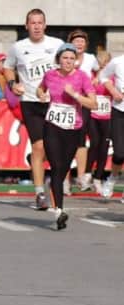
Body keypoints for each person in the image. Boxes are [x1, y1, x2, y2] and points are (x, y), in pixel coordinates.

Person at [4, 8, 64, 210]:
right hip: (30, 102)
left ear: (45, 25)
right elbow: (7, 67)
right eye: (33, 23)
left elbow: (68, 66)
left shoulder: (56, 44)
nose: (37, 26)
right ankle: (39, 193)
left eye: (40, 23)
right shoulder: (18, 47)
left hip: (55, 102)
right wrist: (13, 84)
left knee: (55, 148)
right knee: (38, 147)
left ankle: (52, 180)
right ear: (26, 26)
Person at [36, 43, 97, 229]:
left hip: (73, 128)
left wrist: (75, 95)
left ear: (76, 61)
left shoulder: (82, 77)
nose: (68, 61)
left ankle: (51, 185)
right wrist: (42, 95)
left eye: (72, 58)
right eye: (65, 58)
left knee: (62, 168)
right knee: (56, 165)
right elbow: (40, 88)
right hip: (52, 126)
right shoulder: (50, 75)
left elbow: (93, 104)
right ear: (58, 59)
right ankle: (59, 212)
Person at [64, 29, 100, 193]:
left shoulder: (91, 58)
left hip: (83, 101)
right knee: (65, 140)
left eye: (82, 41)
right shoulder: (65, 57)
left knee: (81, 139)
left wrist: (96, 78)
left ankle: (81, 178)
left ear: (86, 44)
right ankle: (64, 180)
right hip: (65, 102)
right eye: (76, 41)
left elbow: (99, 70)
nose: (79, 44)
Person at [85, 50, 113, 194]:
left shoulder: (112, 77)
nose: (103, 65)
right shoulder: (90, 75)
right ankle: (87, 173)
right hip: (93, 115)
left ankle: (98, 178)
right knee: (94, 142)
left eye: (106, 62)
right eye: (101, 62)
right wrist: (94, 80)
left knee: (104, 147)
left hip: (107, 116)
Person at [100, 51, 124, 202]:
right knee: (120, 153)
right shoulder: (117, 61)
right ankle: (112, 177)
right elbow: (103, 76)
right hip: (119, 110)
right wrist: (113, 91)